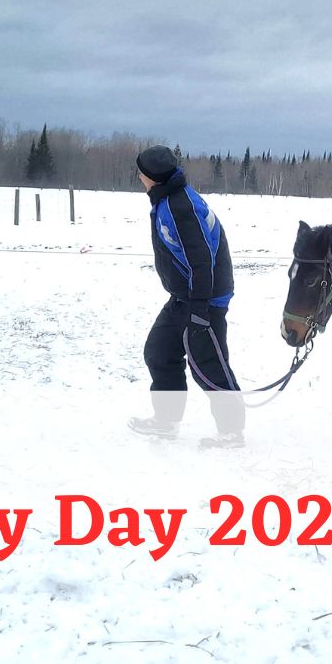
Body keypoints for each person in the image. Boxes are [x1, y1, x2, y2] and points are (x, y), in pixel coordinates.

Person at [128, 145, 245, 447]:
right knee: (160, 352)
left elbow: (201, 260)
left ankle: (231, 432)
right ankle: (166, 421)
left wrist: (200, 309)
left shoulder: (179, 208)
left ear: (149, 177)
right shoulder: (168, 199)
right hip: (185, 296)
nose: (138, 176)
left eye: (139, 172)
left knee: (208, 364)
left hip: (204, 299)